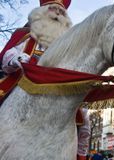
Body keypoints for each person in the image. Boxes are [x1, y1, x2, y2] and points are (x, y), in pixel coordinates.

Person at [0, 0, 91, 160]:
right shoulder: (27, 35)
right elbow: (7, 57)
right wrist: (18, 59)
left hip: (57, 90)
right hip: (23, 85)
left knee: (85, 118)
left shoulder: (70, 44)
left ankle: (79, 156)